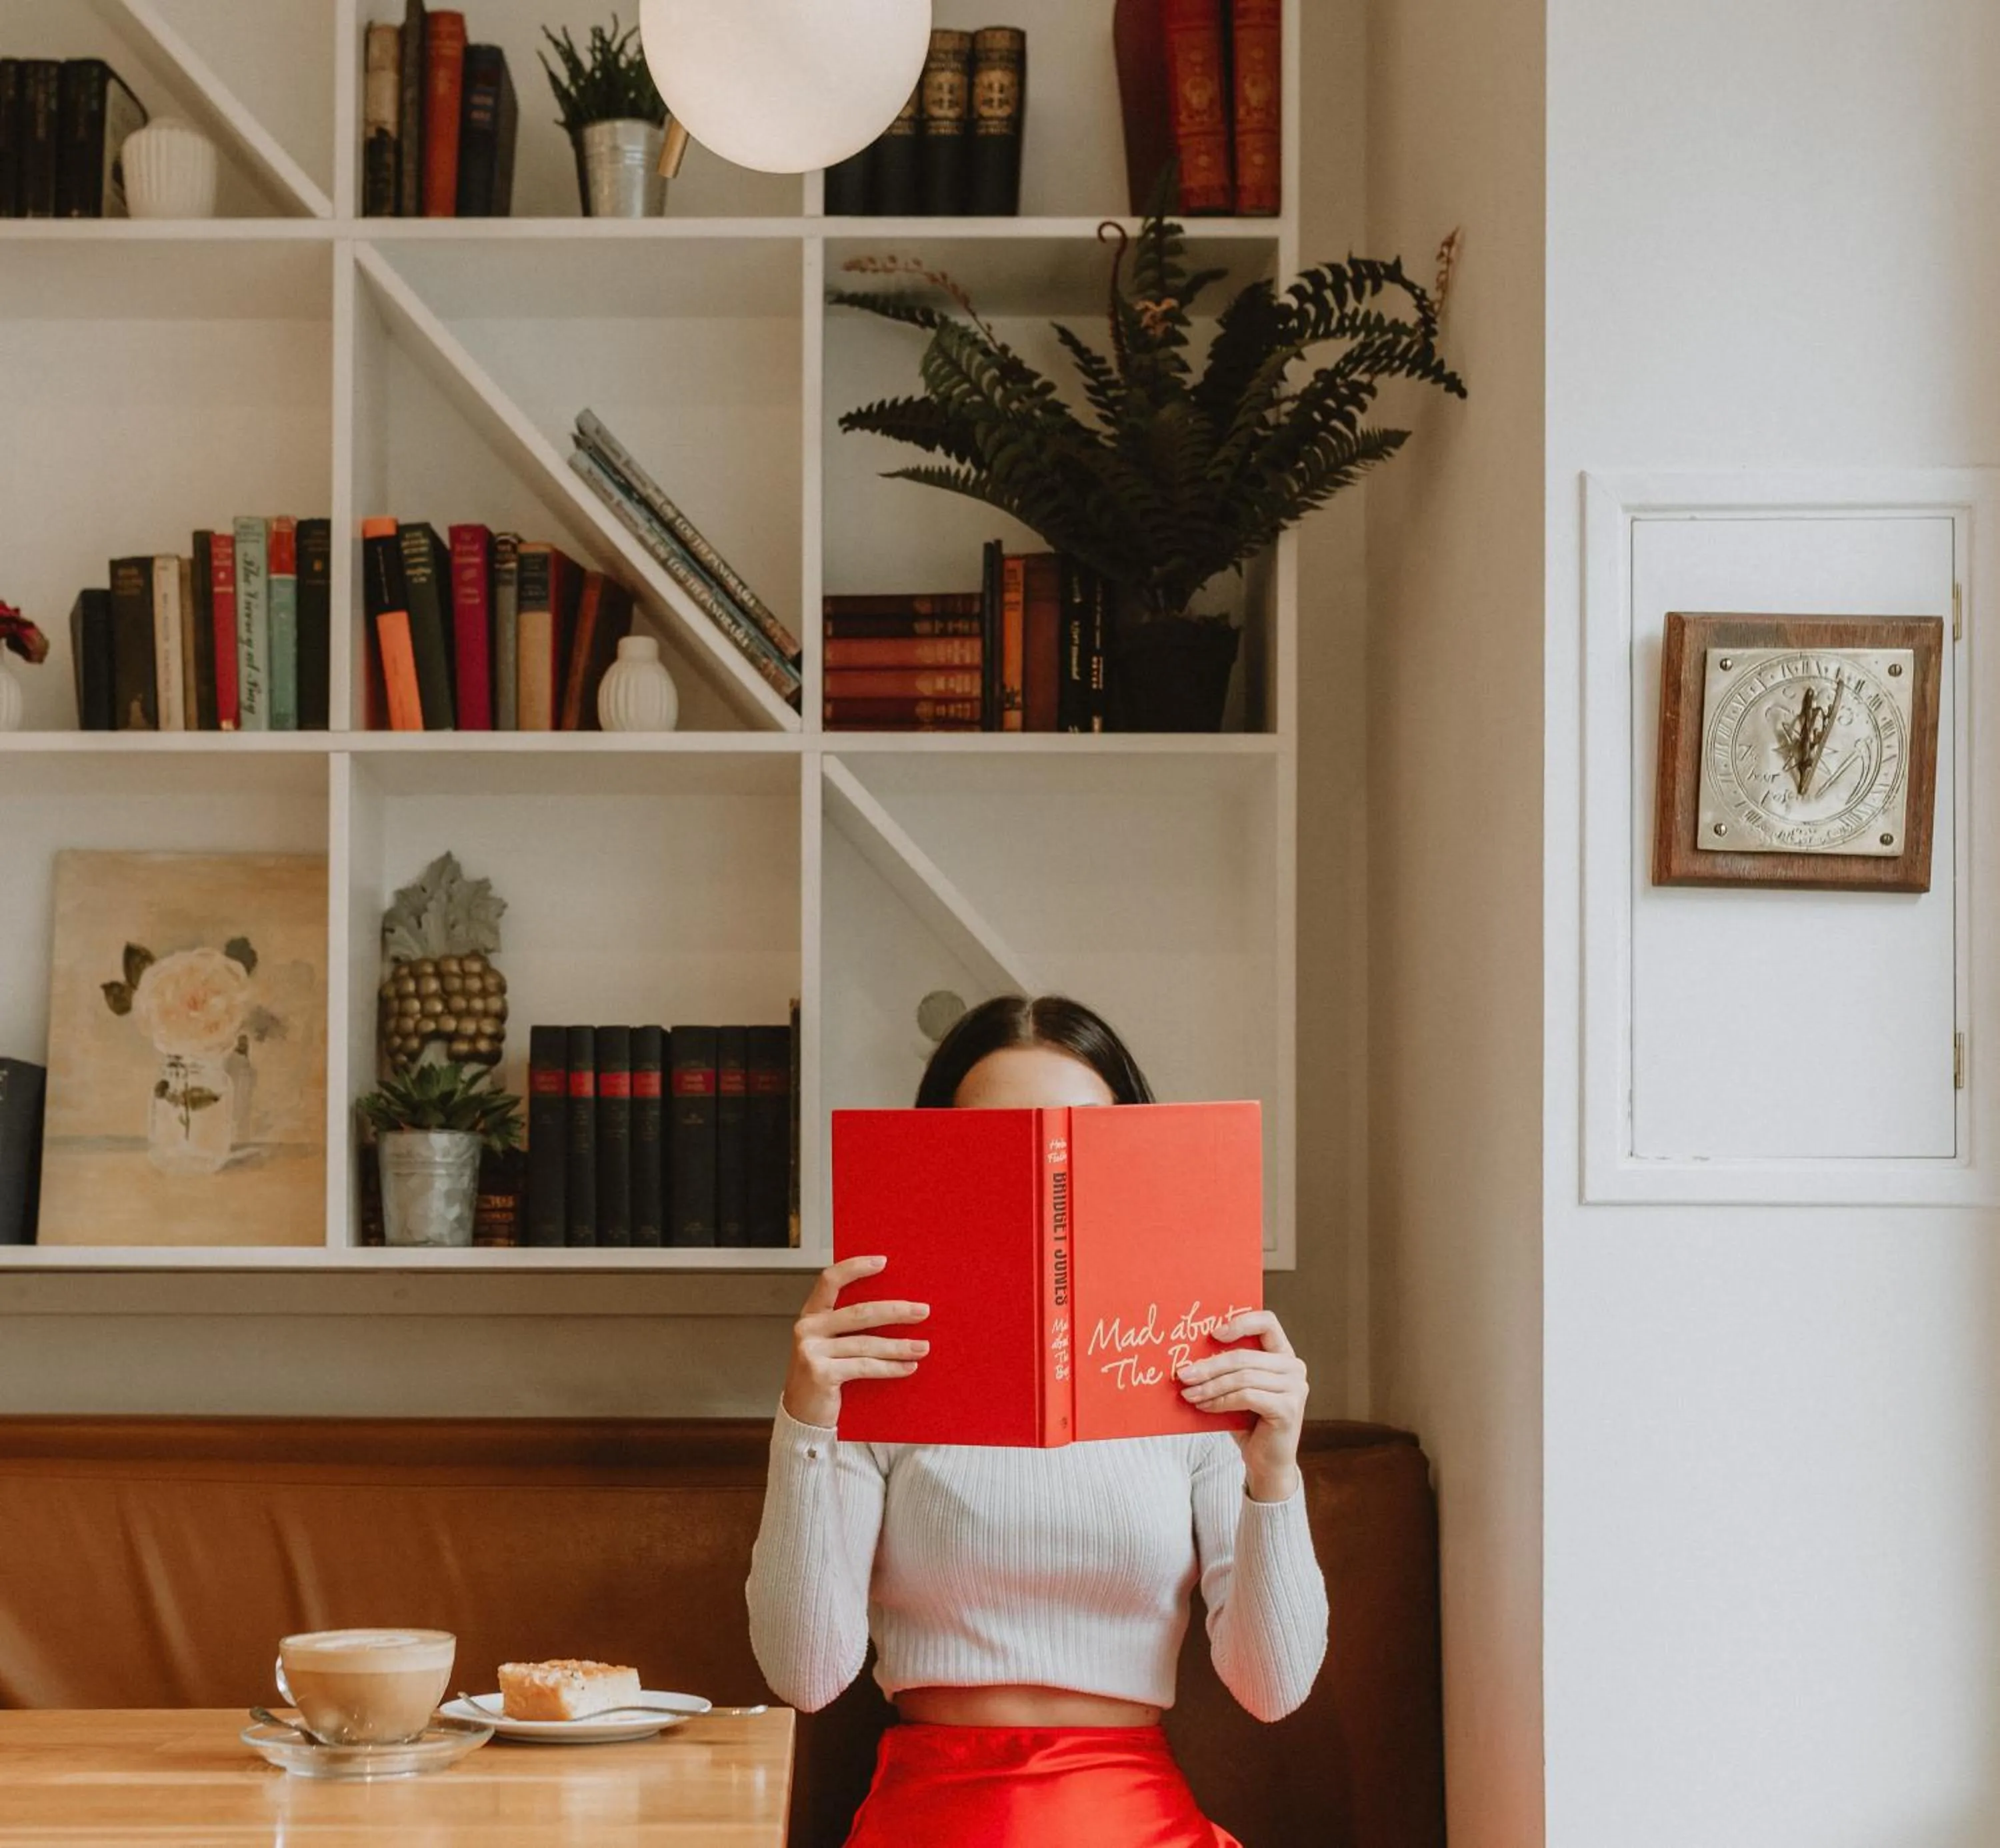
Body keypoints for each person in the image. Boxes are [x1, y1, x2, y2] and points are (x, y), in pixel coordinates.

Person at [745, 995, 1328, 1846]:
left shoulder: (1195, 1372)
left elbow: (1274, 1689)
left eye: (1082, 1135)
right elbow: (805, 1676)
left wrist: (1275, 1472)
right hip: (933, 1814)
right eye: (994, 1140)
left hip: (1131, 1815)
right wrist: (806, 1420)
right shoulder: (884, 1372)